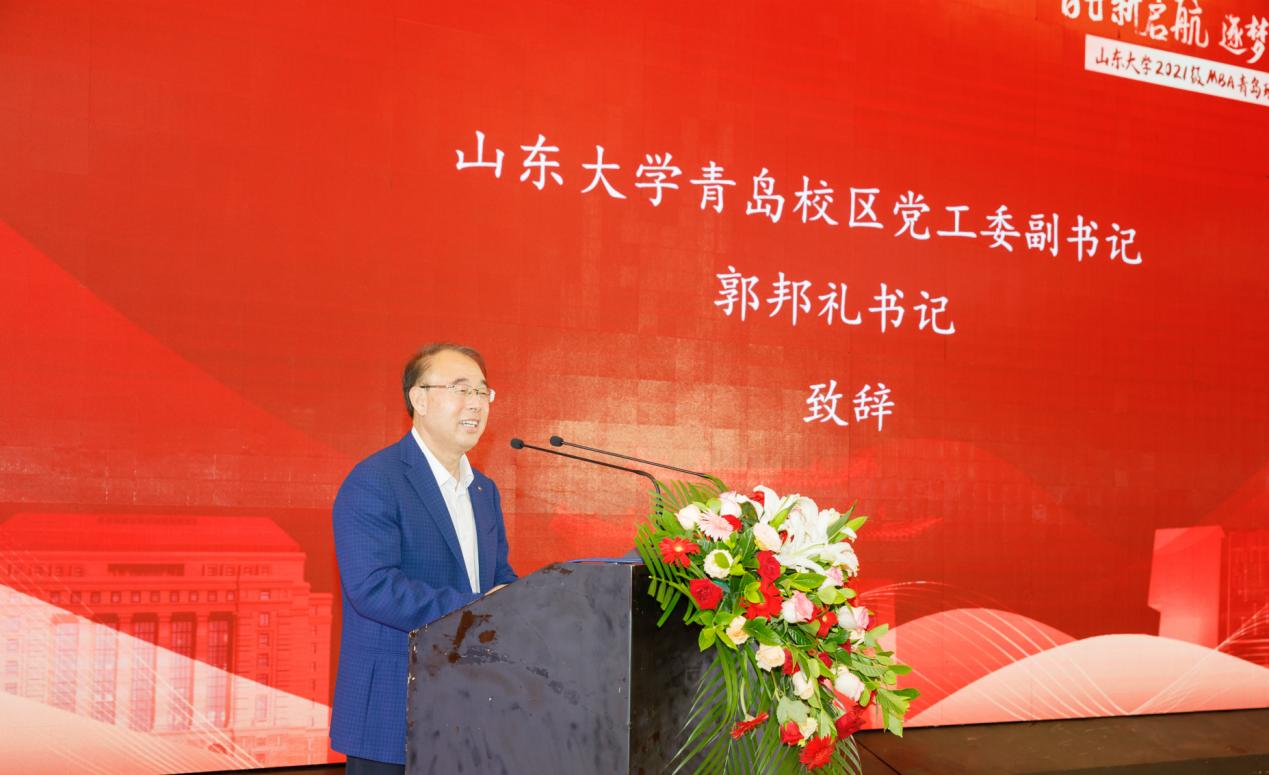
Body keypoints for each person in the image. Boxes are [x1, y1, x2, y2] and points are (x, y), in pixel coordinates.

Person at [330, 343, 516, 774]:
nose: (476, 403)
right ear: (420, 399)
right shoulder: (375, 480)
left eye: (482, 392)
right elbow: (373, 588)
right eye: (461, 389)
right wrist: (482, 607)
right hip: (395, 709)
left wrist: (527, 602)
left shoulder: (484, 490)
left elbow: (498, 576)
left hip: (471, 711)